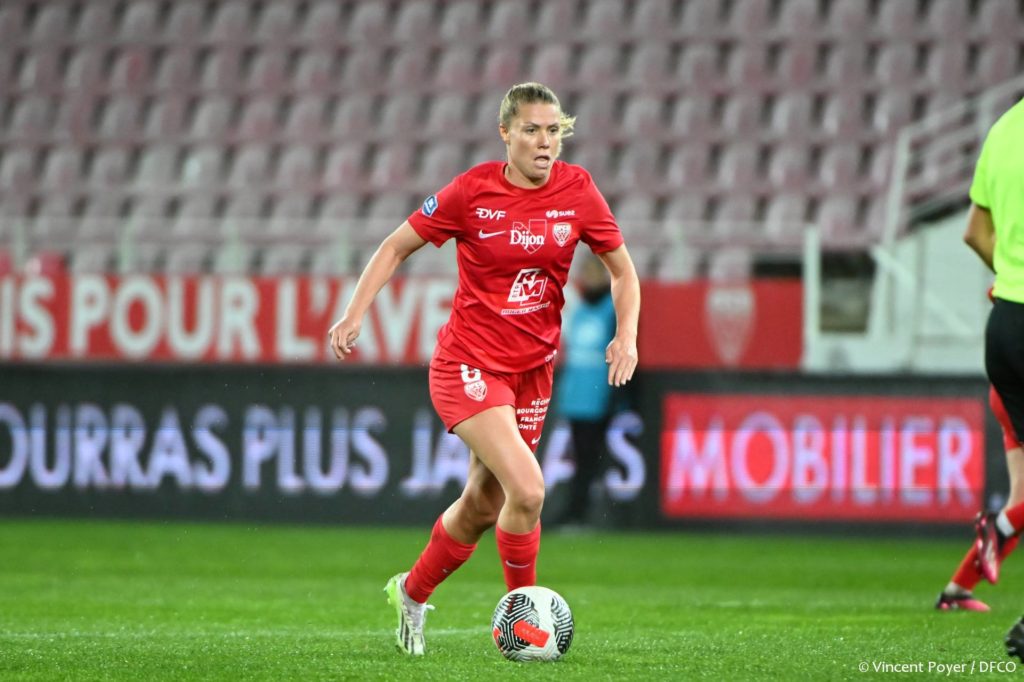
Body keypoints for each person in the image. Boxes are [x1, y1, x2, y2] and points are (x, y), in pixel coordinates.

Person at [327, 82, 640, 655]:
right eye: (531, 130)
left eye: (553, 131)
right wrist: (354, 312)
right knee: (530, 489)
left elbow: (622, 271)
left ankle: (411, 594)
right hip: (468, 364)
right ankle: (526, 621)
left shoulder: (578, 190)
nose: (544, 142)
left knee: (483, 505)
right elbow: (395, 246)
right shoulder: (472, 192)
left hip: (533, 372)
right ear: (506, 134)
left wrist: (627, 334)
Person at [937, 97, 1024, 612]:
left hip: (1006, 326)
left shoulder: (1003, 130)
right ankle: (1000, 527)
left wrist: (1011, 279)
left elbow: (973, 232)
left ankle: (956, 590)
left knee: (1022, 496)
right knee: (1017, 508)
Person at [550, 253, 618, 526]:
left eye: (593, 272)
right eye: (585, 272)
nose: (588, 278)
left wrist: (616, 396)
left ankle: (584, 512)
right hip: (575, 398)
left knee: (591, 458)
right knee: (579, 457)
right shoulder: (578, 309)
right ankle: (577, 511)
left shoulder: (612, 310)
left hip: (598, 398)